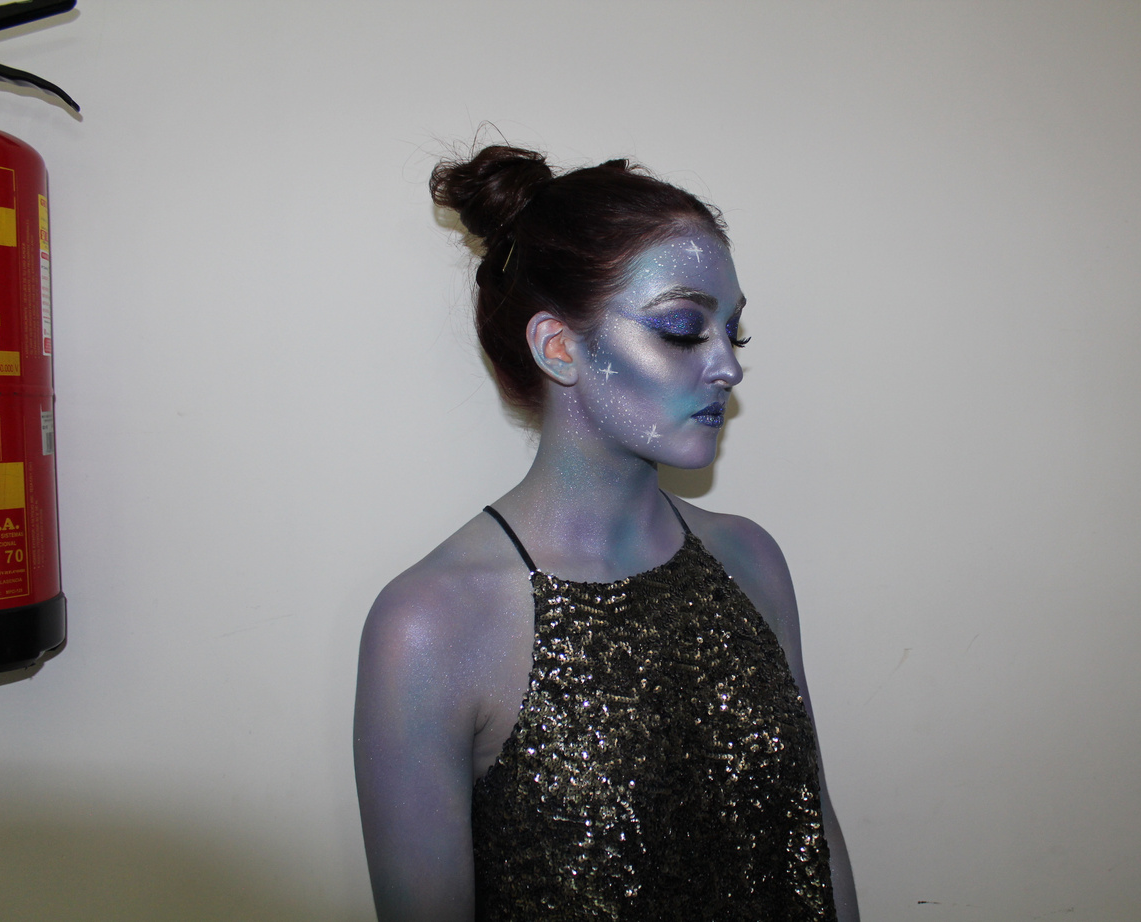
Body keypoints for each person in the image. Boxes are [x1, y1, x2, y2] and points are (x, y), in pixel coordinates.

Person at [354, 144, 859, 922]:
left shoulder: (750, 560)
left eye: (733, 333)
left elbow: (814, 834)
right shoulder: (430, 625)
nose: (727, 367)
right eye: (683, 329)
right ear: (559, 347)